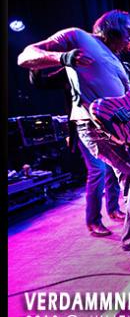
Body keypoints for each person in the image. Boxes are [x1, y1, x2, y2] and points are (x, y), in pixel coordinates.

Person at [18, 9, 130, 255]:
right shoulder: (77, 36)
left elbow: (124, 99)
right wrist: (63, 58)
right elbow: (26, 55)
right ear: (112, 26)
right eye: (128, 33)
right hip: (94, 126)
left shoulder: (117, 60)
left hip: (121, 127)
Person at [29, 66, 125, 238]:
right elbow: (40, 83)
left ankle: (113, 209)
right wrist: (36, 65)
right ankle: (93, 221)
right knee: (98, 170)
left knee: (111, 169)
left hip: (104, 125)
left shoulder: (101, 67)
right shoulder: (69, 69)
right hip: (82, 127)